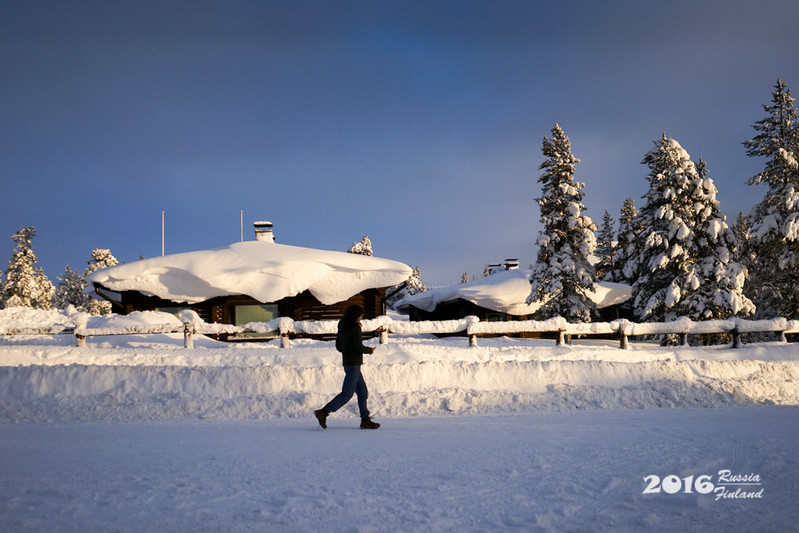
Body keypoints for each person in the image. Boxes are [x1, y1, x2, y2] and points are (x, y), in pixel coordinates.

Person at [315, 305, 380, 430]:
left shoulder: (342, 324)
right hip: (354, 363)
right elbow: (358, 347)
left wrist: (348, 350)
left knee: (362, 392)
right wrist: (369, 350)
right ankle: (323, 412)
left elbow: (339, 346)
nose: (362, 317)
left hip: (348, 363)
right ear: (356, 315)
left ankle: (365, 420)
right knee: (347, 393)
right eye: (361, 315)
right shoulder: (355, 327)